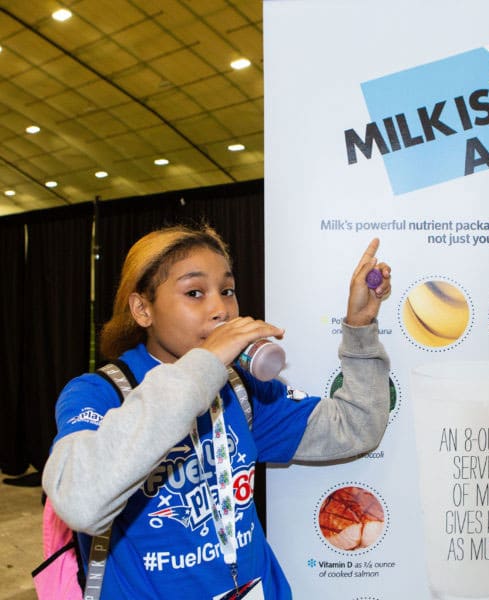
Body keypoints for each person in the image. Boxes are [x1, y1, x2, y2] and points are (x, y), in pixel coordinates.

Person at [41, 224, 392, 599]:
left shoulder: (241, 390)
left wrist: (360, 326)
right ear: (143, 309)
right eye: (195, 293)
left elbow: (357, 425)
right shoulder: (98, 394)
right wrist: (204, 365)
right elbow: (80, 501)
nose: (221, 310)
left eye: (227, 291)